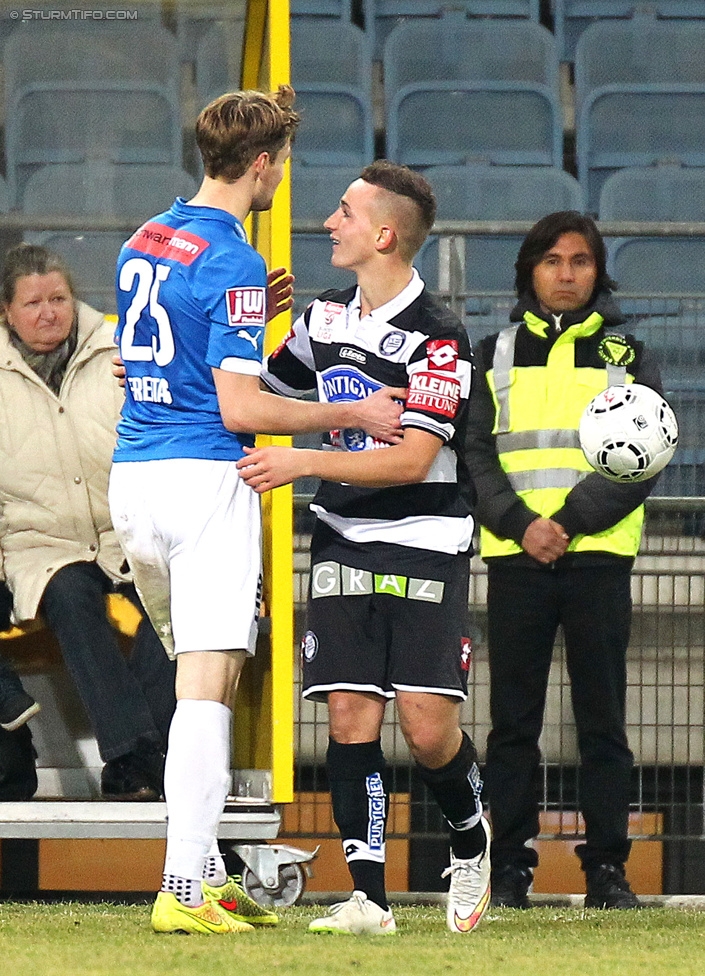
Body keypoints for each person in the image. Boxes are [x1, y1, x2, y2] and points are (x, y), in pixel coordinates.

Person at [108, 87, 405, 936]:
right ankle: (183, 890)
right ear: (265, 165)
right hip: (206, 478)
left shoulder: (146, 238)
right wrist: (350, 414)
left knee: (209, 678)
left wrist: (254, 320)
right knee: (206, 686)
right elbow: (242, 409)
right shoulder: (233, 260)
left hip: (134, 478)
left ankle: (203, 870)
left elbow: (154, 354)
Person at [238, 160, 491, 936]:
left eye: (344, 212)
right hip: (344, 535)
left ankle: (470, 834)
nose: (328, 222)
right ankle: (369, 901)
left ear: (383, 234)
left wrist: (303, 459)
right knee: (348, 713)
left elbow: (413, 459)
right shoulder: (321, 319)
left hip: (426, 540)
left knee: (423, 726)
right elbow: (256, 398)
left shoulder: (439, 337)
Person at [464, 211, 663, 910]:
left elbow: (645, 460)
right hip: (517, 561)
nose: (565, 273)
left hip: (597, 560)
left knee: (601, 723)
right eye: (551, 261)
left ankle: (606, 871)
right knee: (511, 727)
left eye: (579, 261)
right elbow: (475, 456)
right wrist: (522, 525)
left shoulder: (628, 358)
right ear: (529, 271)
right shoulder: (491, 353)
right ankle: (509, 869)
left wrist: (567, 523)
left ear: (595, 272)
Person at [0, 243, 177, 800]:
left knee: (175, 609)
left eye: (59, 298)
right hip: (41, 542)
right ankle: (136, 757)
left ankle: (137, 754)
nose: (49, 312)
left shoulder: (123, 349)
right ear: (6, 312)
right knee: (71, 597)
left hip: (130, 527)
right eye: (32, 303)